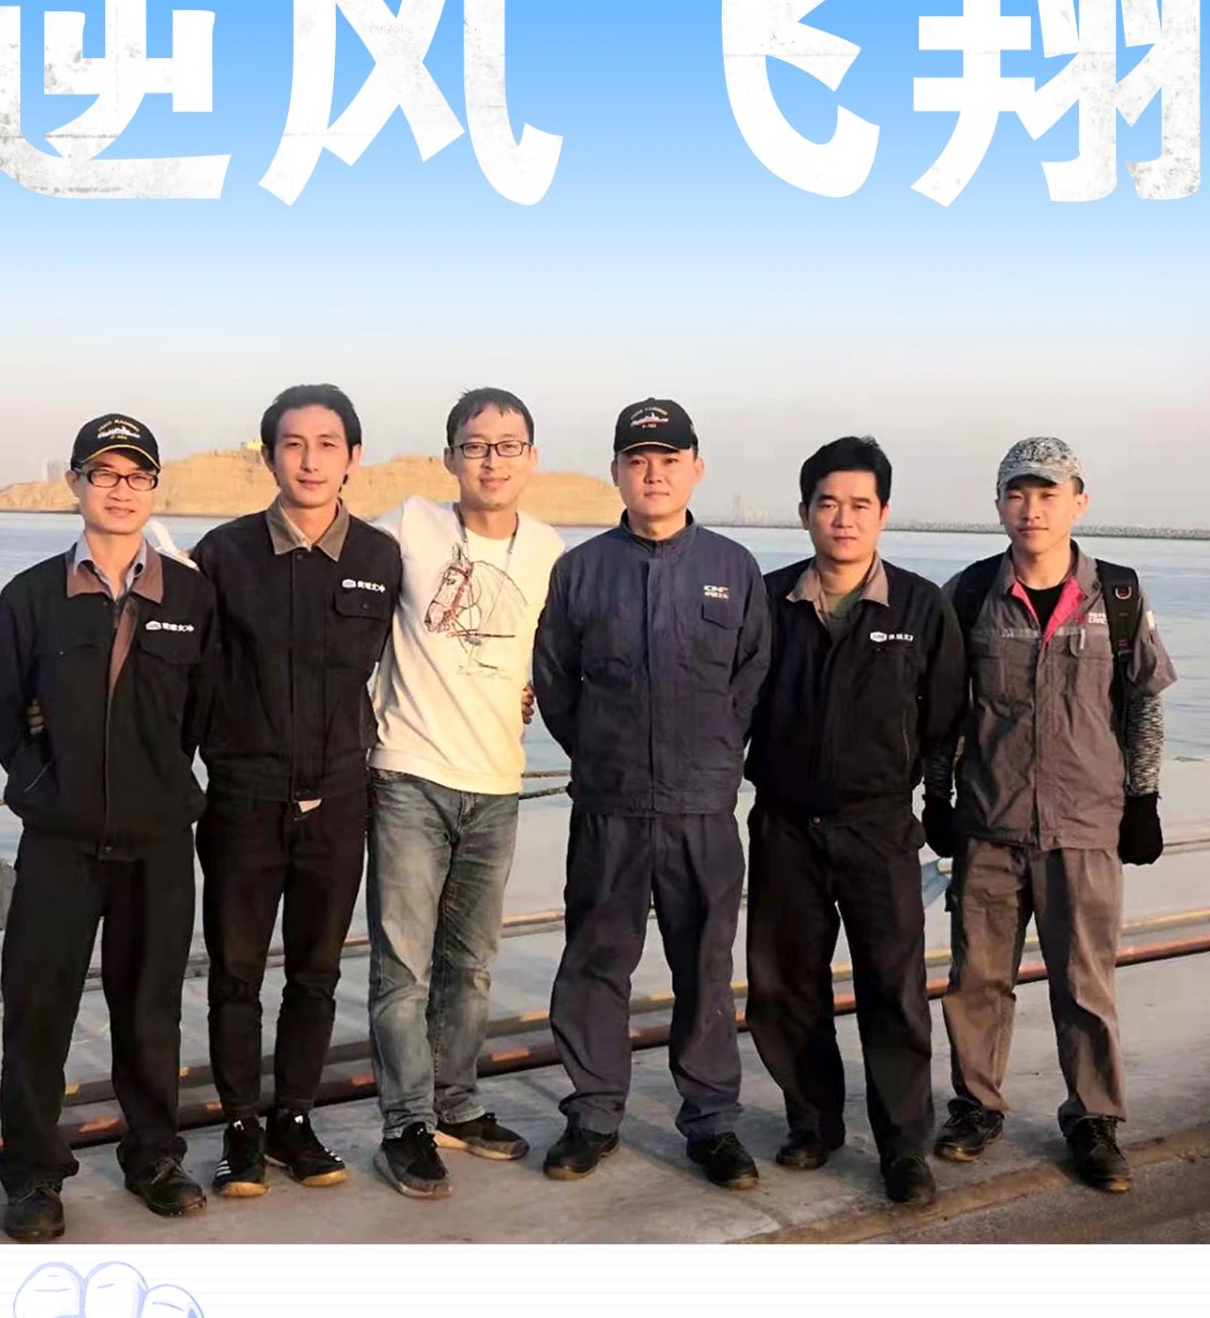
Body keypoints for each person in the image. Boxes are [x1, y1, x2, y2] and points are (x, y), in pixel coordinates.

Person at [0, 413, 217, 1240]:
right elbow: (0, 701)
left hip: (158, 843)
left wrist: (159, 781)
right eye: (104, 473)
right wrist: (40, 780)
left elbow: (202, 710)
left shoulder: (190, 597)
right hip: (59, 842)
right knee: (36, 1013)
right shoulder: (32, 595)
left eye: (136, 475)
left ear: (155, 488)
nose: (120, 489)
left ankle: (153, 1157)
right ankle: (34, 1176)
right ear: (76, 482)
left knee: (150, 1010)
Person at [923, 437, 1176, 1192]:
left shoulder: (1118, 597)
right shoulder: (968, 595)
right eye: (1016, 494)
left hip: (1086, 827)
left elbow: (1143, 707)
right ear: (1000, 504)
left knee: (1085, 983)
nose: (1031, 509)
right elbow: (943, 713)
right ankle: (977, 1106)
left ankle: (1093, 1118)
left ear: (1078, 502)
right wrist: (938, 798)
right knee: (977, 979)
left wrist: (1143, 800)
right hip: (990, 825)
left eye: (1047, 493)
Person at [533, 397, 770, 1187]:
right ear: (617, 472)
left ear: (695, 468)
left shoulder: (732, 569)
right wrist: (603, 755)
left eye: (669, 460)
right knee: (595, 963)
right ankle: (594, 1113)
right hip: (610, 808)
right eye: (638, 461)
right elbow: (556, 682)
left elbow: (751, 679)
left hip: (703, 809)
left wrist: (713, 757)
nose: (654, 474)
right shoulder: (580, 570)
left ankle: (712, 1123)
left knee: (705, 966)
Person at [745, 436, 965, 1208]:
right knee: (784, 985)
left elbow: (944, 722)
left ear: (883, 513)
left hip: (879, 828)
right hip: (783, 824)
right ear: (805, 511)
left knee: (894, 989)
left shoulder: (919, 605)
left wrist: (939, 808)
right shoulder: (768, 600)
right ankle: (813, 1123)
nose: (843, 518)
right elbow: (732, 704)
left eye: (859, 505)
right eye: (828, 503)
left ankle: (904, 1147)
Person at [191, 383, 400, 1198]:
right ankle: (241, 1127)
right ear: (270, 456)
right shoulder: (224, 554)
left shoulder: (380, 559)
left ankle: (295, 1121)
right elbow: (183, 672)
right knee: (236, 974)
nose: (310, 461)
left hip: (341, 800)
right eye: (292, 444)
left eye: (326, 444)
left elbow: (428, 657)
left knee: (317, 973)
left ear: (353, 457)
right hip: (242, 798)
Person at [365, 387, 564, 1198]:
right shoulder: (408, 526)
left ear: (531, 459)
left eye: (508, 446)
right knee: (402, 969)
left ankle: (457, 1103)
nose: (491, 460)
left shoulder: (548, 550)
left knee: (471, 966)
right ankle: (406, 1124)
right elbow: (332, 588)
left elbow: (556, 655)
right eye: (475, 445)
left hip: (497, 783)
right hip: (409, 775)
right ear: (450, 456)